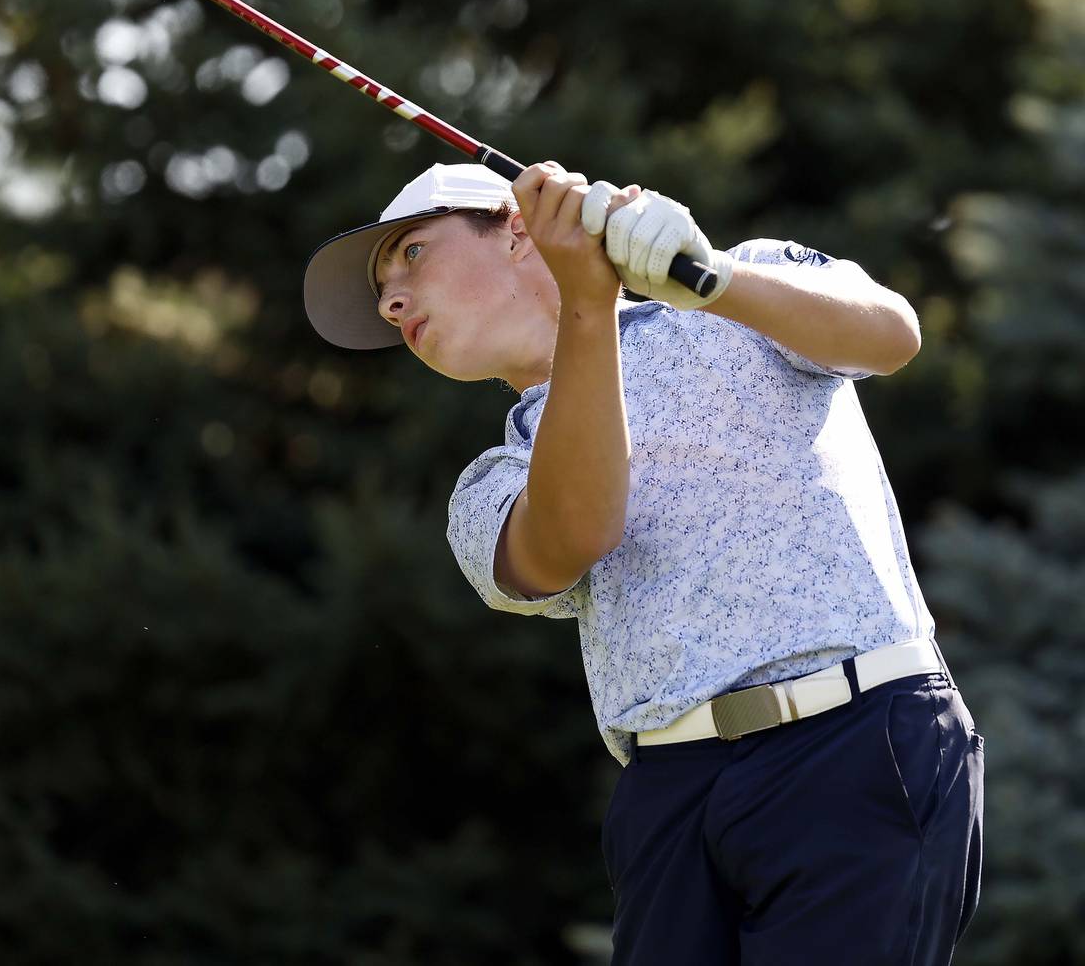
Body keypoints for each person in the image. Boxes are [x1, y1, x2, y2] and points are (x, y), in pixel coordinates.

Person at [303, 159, 985, 966]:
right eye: (384, 294)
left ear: (519, 228)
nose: (390, 301)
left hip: (857, 742)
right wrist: (585, 305)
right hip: (670, 793)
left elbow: (890, 333)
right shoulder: (493, 481)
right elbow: (575, 533)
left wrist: (716, 279)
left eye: (410, 253)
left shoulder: (740, 290)